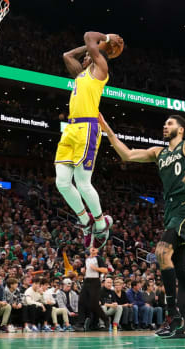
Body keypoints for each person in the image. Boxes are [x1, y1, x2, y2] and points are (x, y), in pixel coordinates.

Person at [99, 114, 185, 339]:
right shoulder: (159, 152)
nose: (165, 126)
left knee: (161, 251)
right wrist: (106, 128)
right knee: (181, 271)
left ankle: (173, 318)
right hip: (170, 211)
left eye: (170, 123)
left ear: (181, 129)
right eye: (164, 123)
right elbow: (127, 154)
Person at [56, 31, 123, 249]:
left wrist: (103, 40)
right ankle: (85, 222)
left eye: (89, 55)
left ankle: (101, 223)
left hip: (87, 127)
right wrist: (87, 49)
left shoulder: (100, 69)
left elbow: (87, 36)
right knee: (62, 183)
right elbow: (67, 55)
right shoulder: (80, 75)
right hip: (71, 129)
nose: (85, 57)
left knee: (83, 183)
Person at [80, 247, 110, 331]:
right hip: (86, 281)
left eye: (94, 249)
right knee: (81, 301)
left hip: (95, 281)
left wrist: (96, 268)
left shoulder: (98, 258)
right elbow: (86, 270)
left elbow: (105, 270)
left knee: (94, 304)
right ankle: (81, 323)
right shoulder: (87, 260)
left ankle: (105, 319)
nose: (92, 250)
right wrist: (83, 271)